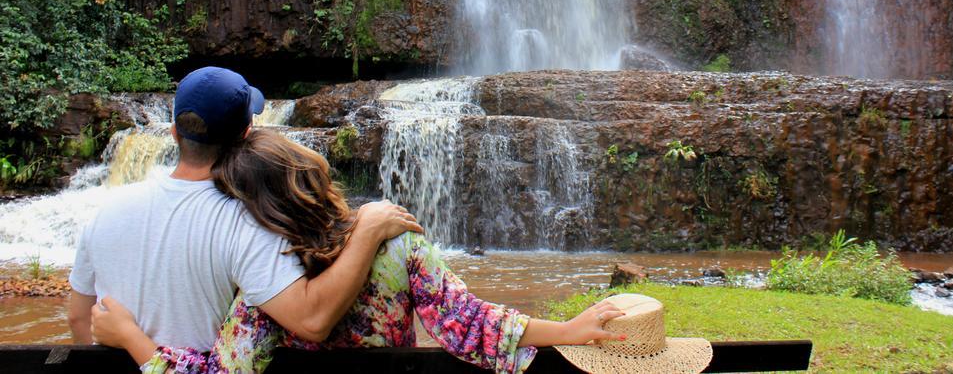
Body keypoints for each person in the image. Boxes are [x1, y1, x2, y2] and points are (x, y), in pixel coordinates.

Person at [91, 129, 629, 373]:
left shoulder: (269, 288)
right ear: (310, 176)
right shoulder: (398, 243)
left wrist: (131, 338)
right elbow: (466, 321)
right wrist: (567, 330)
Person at [68, 67, 421, 354]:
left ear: (174, 133)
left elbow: (78, 319)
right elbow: (312, 320)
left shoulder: (105, 212)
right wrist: (368, 229)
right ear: (246, 135)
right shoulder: (246, 220)